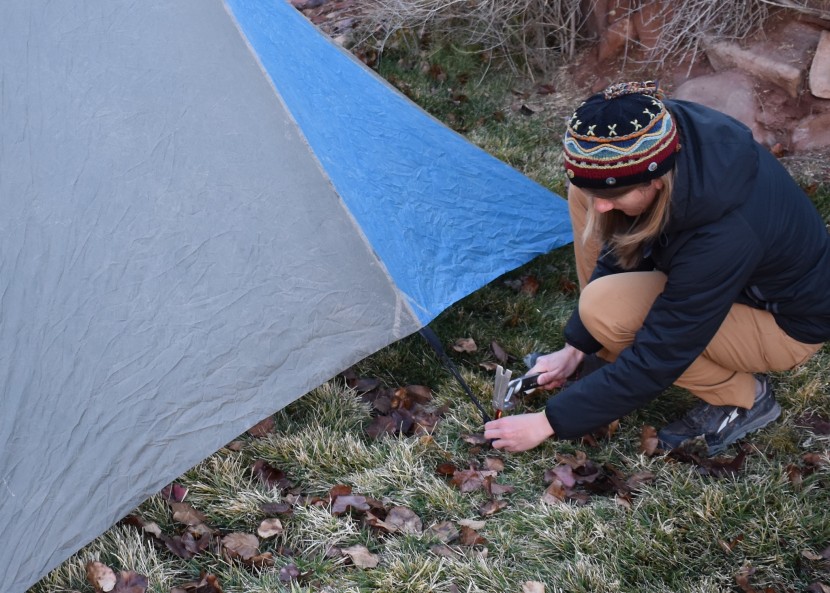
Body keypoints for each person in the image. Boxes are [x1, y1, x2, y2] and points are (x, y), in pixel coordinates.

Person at [484, 80, 829, 456]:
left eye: (615, 195)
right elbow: (622, 239)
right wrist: (576, 346)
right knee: (585, 196)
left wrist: (548, 422)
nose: (603, 208)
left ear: (656, 179)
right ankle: (604, 352)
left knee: (606, 311)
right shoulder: (656, 140)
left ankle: (745, 398)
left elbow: (663, 351)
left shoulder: (723, 233)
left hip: (781, 324)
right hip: (719, 280)